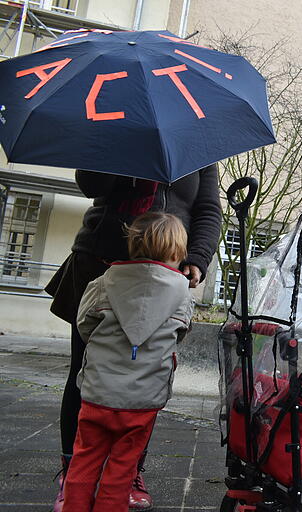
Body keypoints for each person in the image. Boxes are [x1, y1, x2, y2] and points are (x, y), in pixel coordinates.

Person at [45, 166, 222, 511]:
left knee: (144, 376)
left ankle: (128, 473)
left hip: (165, 272)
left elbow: (208, 208)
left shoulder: (199, 150)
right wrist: (120, 151)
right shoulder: (119, 123)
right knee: (85, 372)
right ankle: (74, 471)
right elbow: (91, 184)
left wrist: (198, 257)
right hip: (101, 261)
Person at [62, 212, 193, 511]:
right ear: (177, 251)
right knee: (122, 469)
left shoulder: (103, 281)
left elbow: (84, 325)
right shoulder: (183, 293)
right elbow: (180, 332)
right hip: (143, 400)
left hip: (98, 392)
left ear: (133, 245)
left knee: (84, 460)